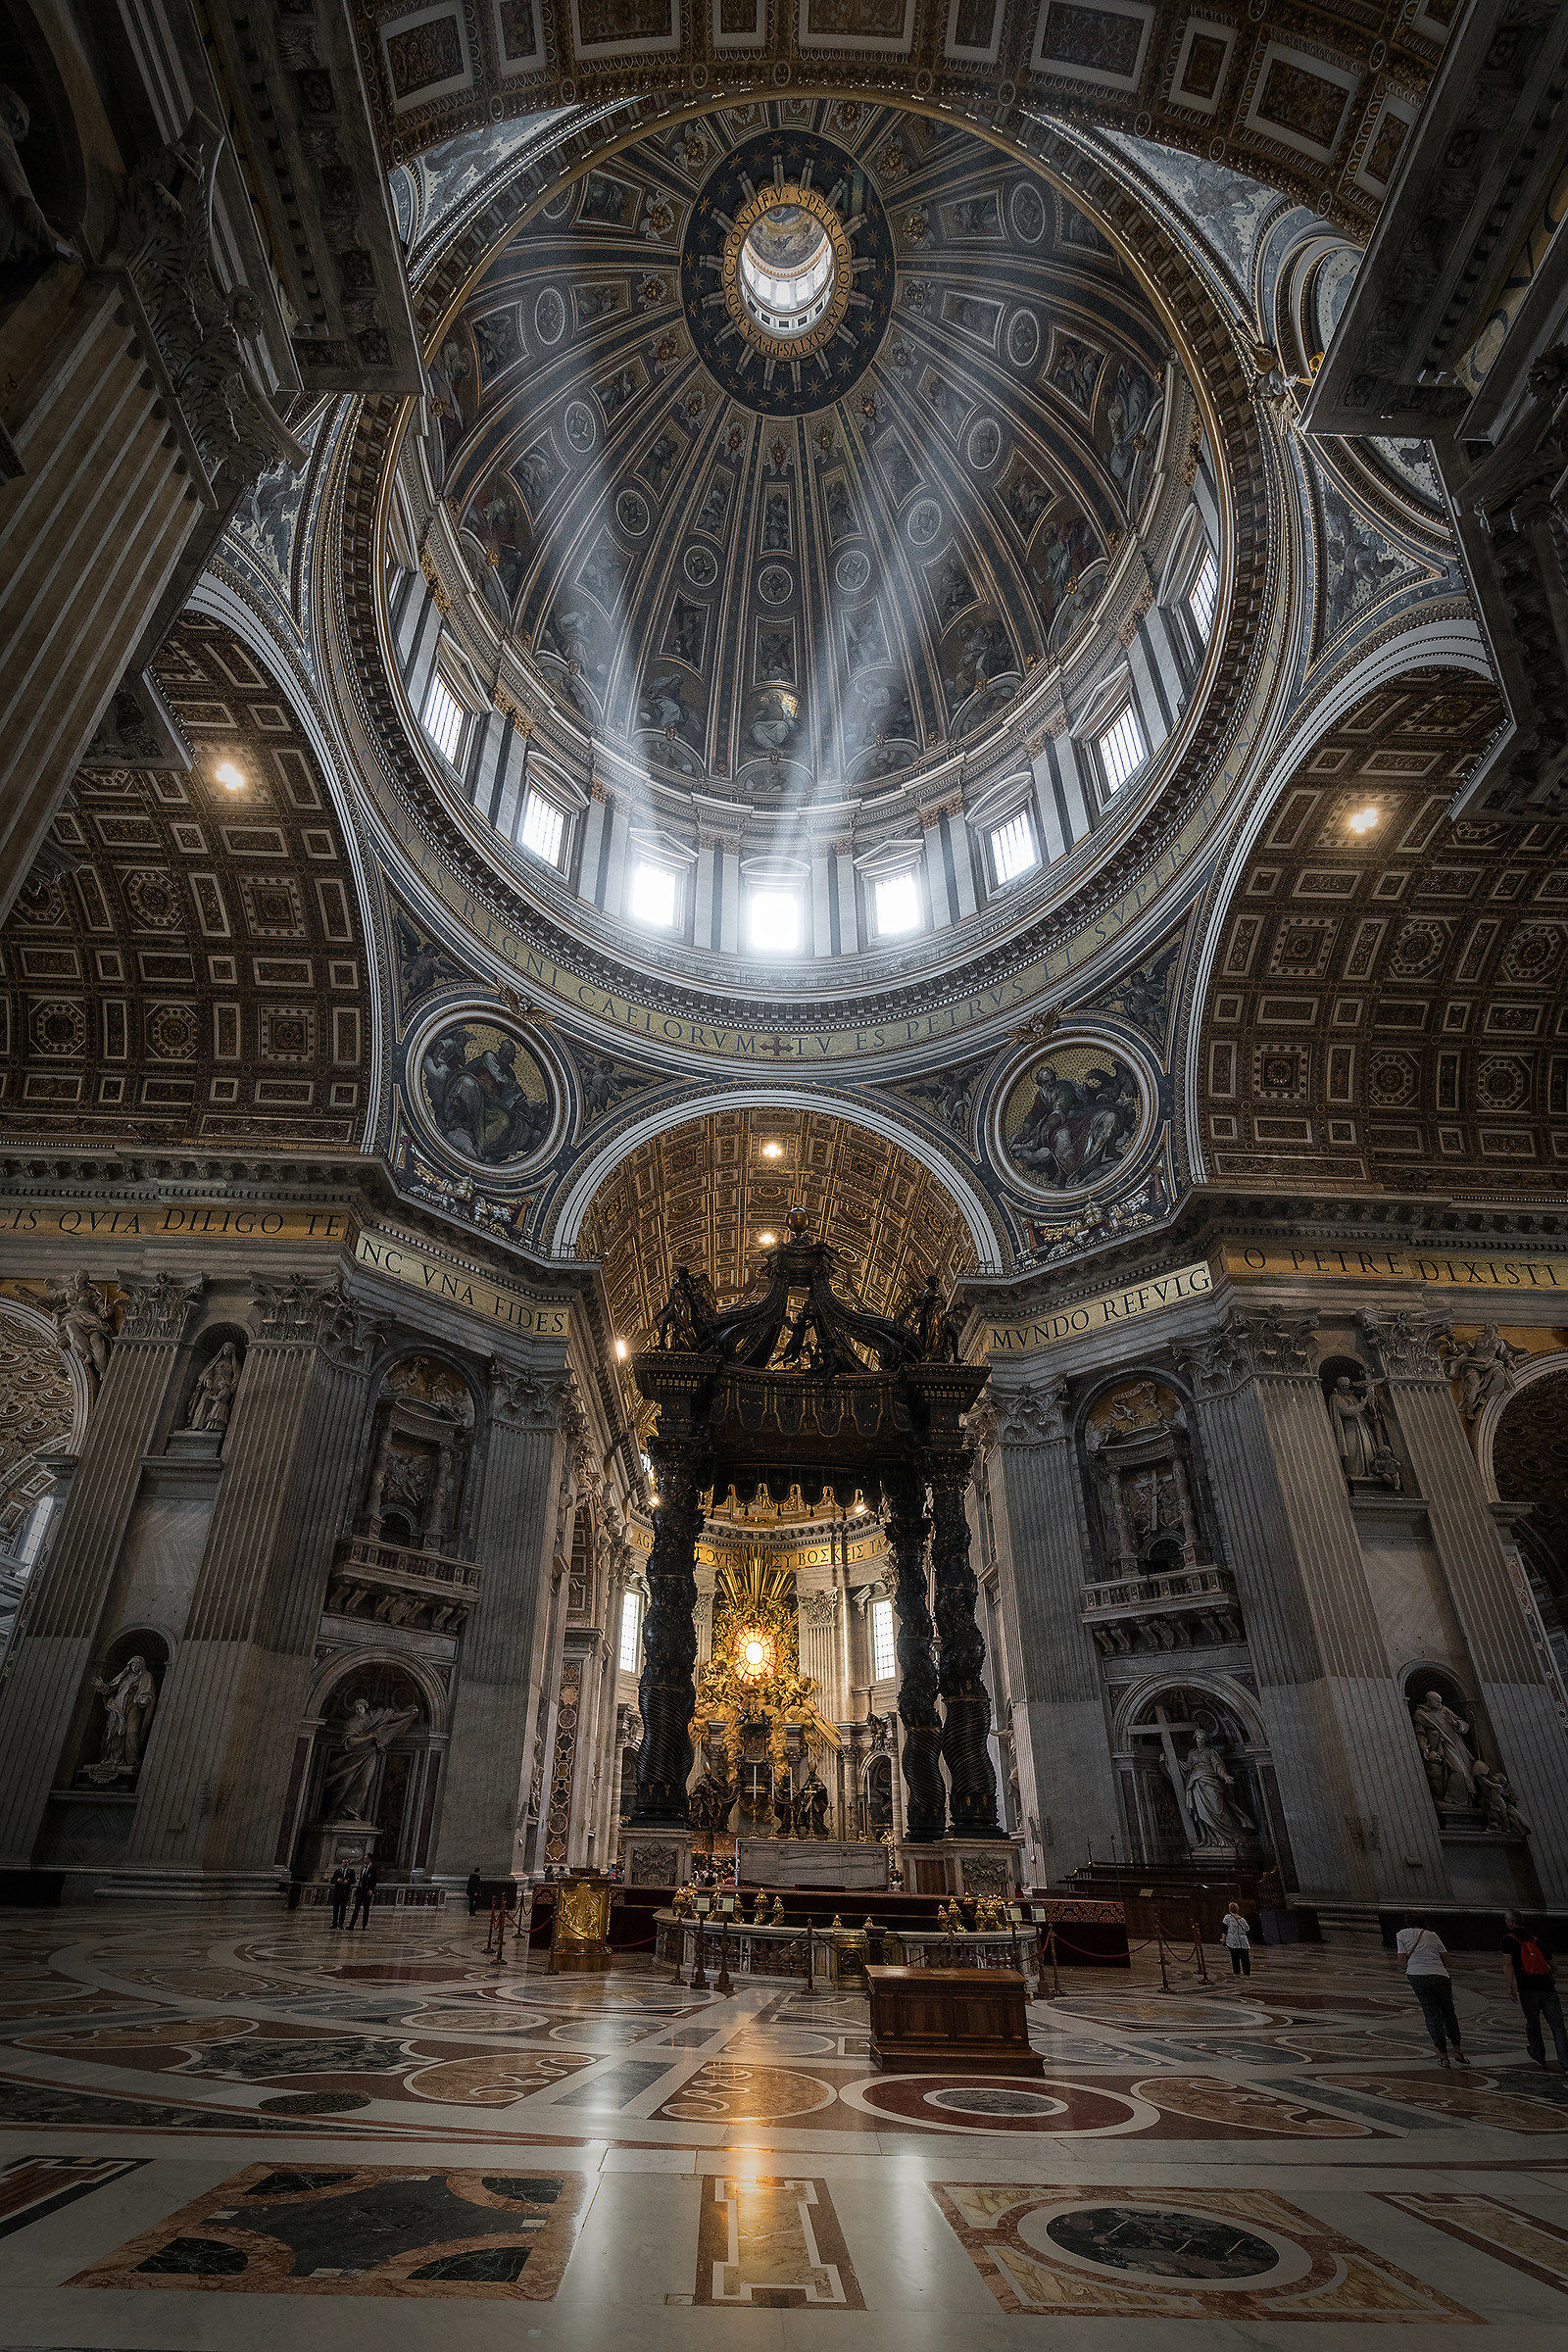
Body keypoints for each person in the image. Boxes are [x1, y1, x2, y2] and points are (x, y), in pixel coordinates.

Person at [1396, 1912, 1470, 2068]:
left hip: (1417, 1976)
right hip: (1440, 1975)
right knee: (1449, 2012)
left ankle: (1443, 2057)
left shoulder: (1401, 1934)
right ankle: (1457, 2050)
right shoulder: (1432, 1935)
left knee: (1431, 2014)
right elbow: (1446, 1960)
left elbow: (1402, 1960)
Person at [1502, 1911, 1568, 2071]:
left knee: (1533, 2023)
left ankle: (1539, 2055)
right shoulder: (1536, 1940)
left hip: (1527, 1988)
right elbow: (1554, 1967)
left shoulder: (1508, 1940)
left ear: (1511, 1923)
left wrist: (1510, 1986)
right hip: (1547, 1988)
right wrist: (1545, 1978)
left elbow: (1508, 1965)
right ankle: (1566, 2062)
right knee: (1558, 2025)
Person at [1220, 1900, 1252, 1980]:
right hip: (1243, 1941)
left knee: (1235, 1957)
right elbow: (1247, 1929)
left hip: (1232, 1941)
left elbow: (1224, 1930)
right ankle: (1246, 1974)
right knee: (1245, 1958)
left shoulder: (1227, 1918)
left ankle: (1237, 1972)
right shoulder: (1242, 1920)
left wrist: (1223, 1939)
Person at [349, 1856, 378, 1931]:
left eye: (366, 1859)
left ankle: (364, 1925)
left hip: (367, 1891)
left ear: (369, 1859)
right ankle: (351, 1925)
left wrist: (371, 1889)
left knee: (366, 1909)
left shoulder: (373, 1869)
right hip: (360, 1890)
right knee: (356, 1908)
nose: (364, 1860)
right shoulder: (363, 1868)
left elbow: (374, 1880)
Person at [327, 1862, 354, 1930]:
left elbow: (353, 1880)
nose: (345, 1864)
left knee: (343, 1909)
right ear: (342, 1864)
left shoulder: (351, 1872)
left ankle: (341, 1923)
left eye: (346, 1863)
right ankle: (334, 1923)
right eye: (344, 1863)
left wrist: (348, 1881)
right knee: (335, 1909)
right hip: (337, 1892)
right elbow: (332, 1881)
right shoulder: (337, 1871)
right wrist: (337, 1880)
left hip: (345, 1892)